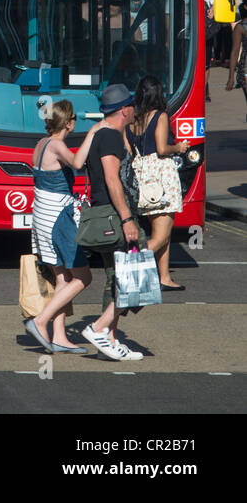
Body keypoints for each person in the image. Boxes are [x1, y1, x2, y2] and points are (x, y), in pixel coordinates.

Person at [24, 100, 98, 354]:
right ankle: (40, 321)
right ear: (69, 122)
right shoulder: (56, 145)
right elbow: (77, 163)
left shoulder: (41, 144)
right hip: (58, 218)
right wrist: (93, 134)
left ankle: (59, 336)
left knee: (63, 278)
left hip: (42, 216)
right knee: (83, 276)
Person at [79, 84, 146, 360]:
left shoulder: (109, 134)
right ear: (124, 109)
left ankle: (110, 341)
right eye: (132, 106)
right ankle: (97, 328)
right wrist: (127, 218)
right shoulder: (108, 137)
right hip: (114, 216)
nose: (135, 110)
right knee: (138, 278)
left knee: (116, 279)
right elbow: (111, 178)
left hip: (110, 213)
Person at [127, 76, 188, 291]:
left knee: (164, 233)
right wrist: (179, 148)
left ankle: (164, 277)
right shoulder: (160, 116)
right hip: (161, 177)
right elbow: (162, 149)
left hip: (144, 179)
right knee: (161, 236)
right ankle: (128, 266)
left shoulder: (133, 119)